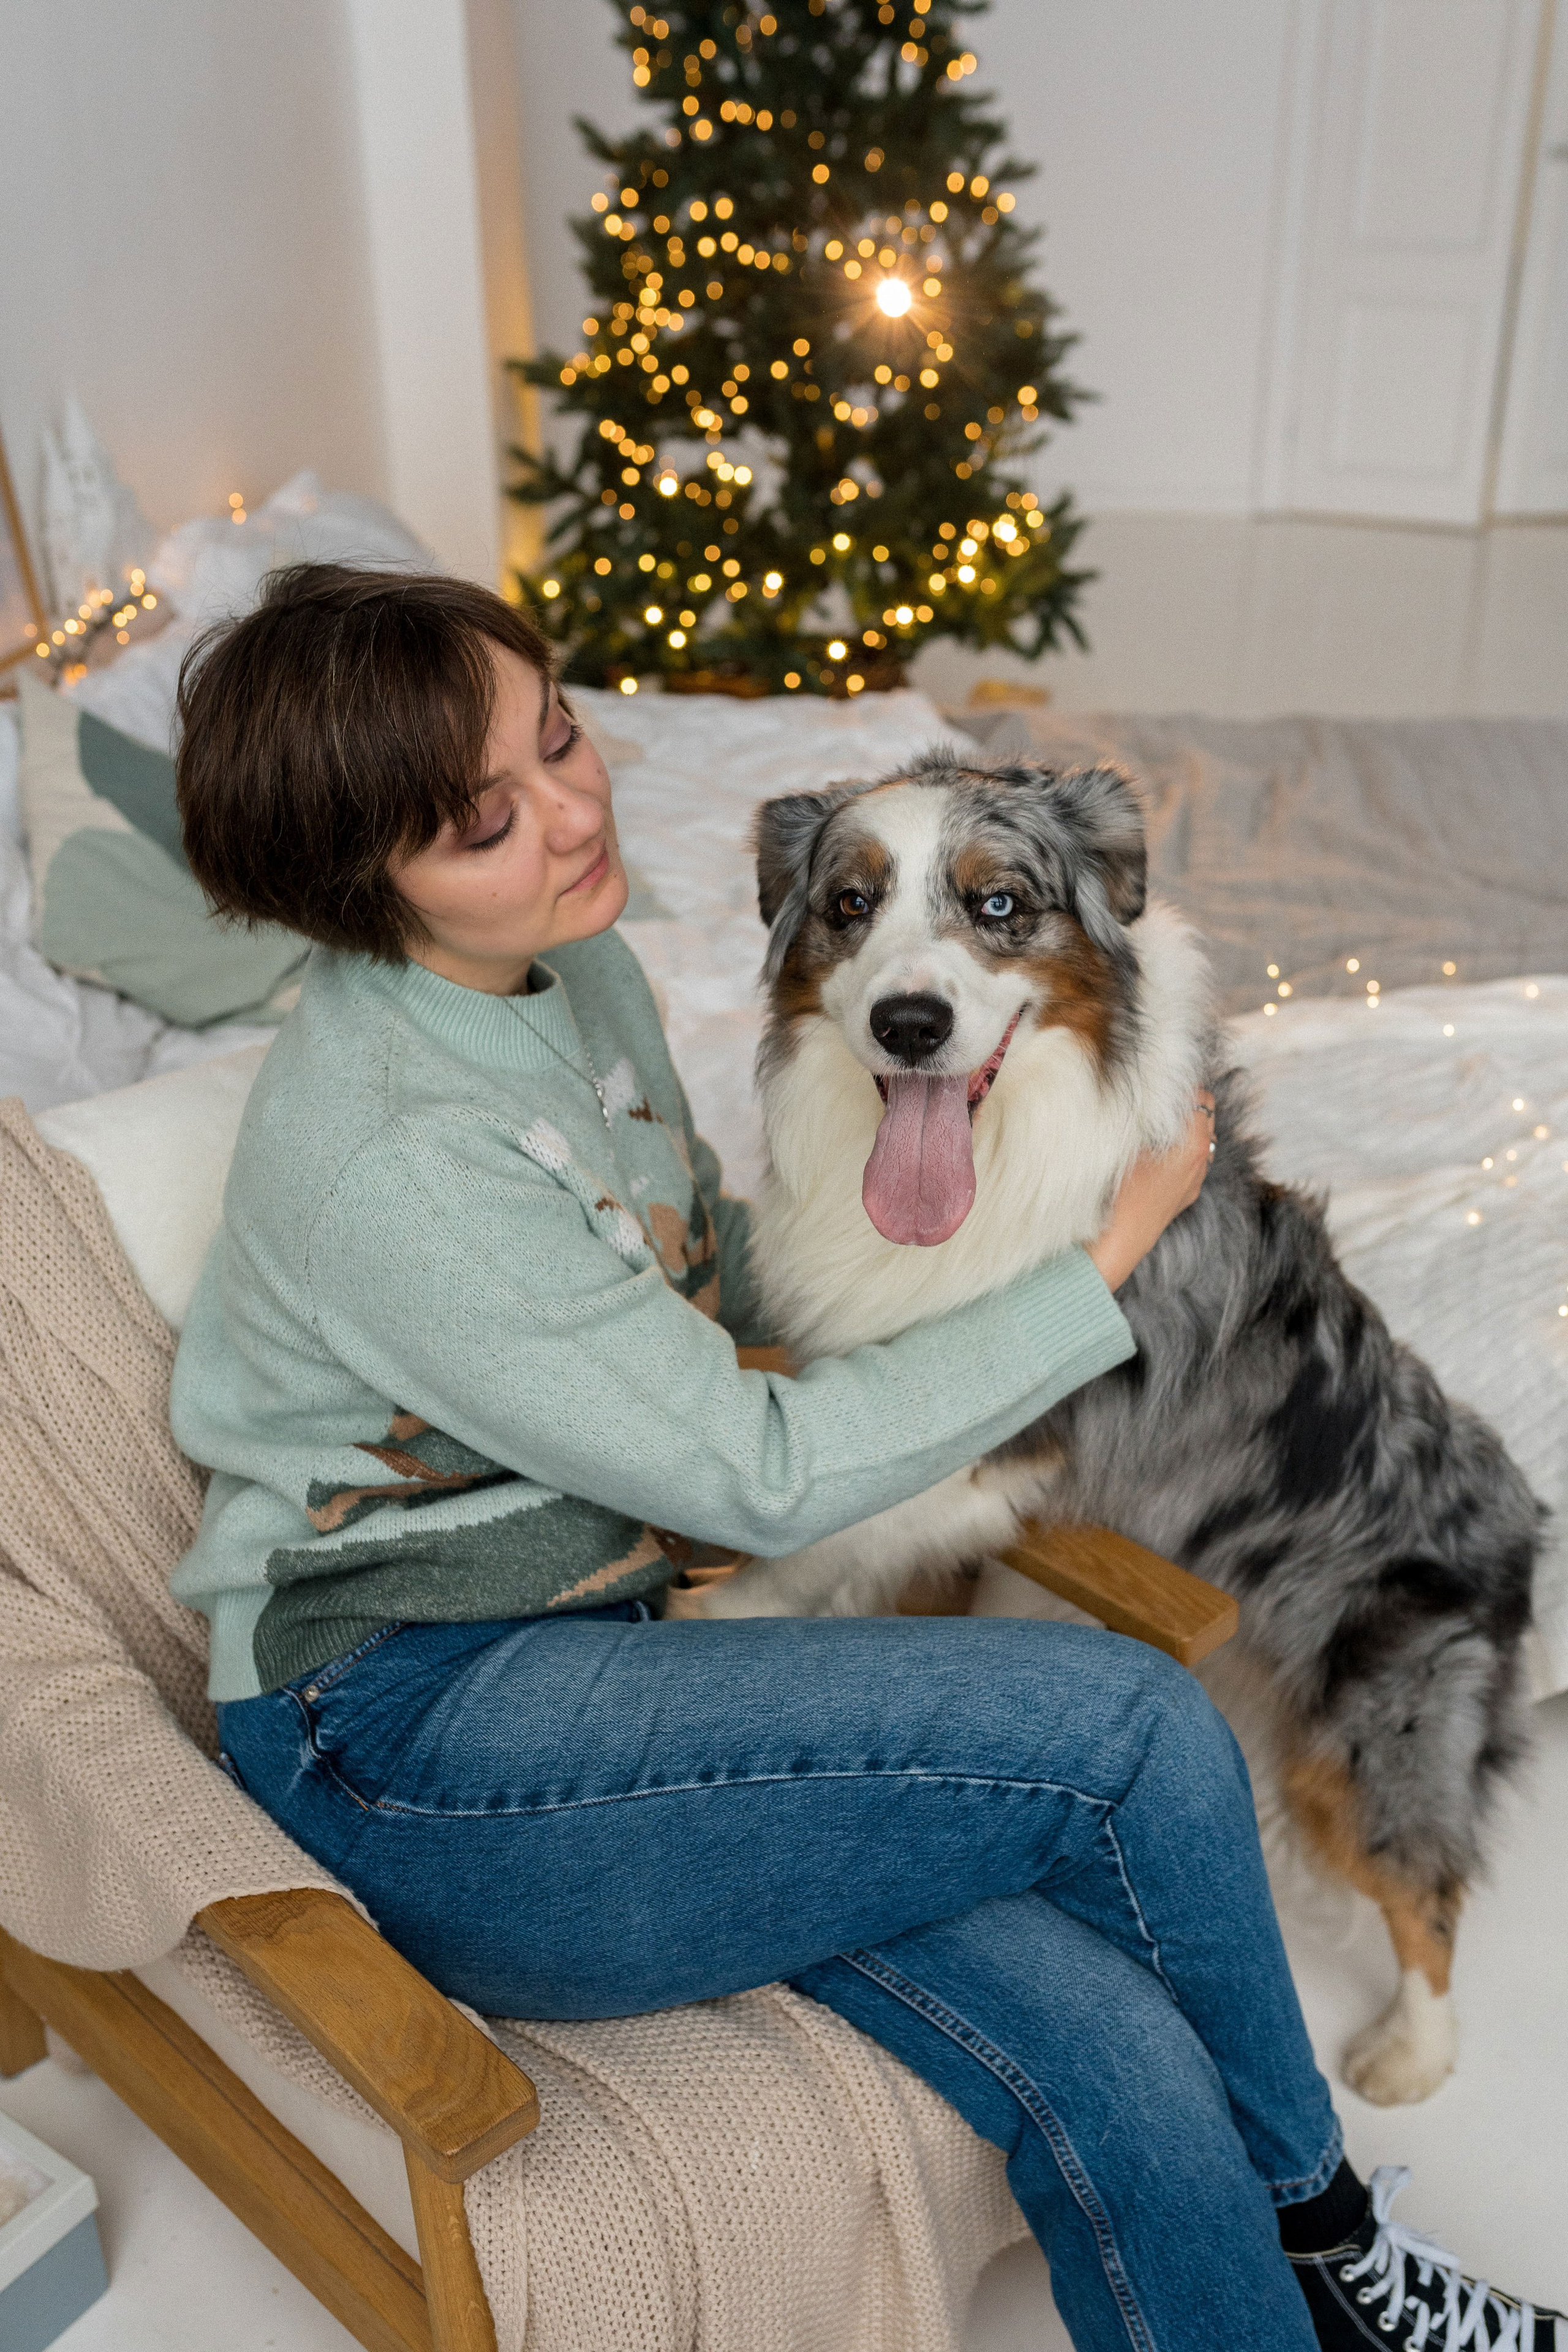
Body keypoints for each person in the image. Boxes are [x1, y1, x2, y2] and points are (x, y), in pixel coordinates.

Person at [169, 564, 1561, 2352]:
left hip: (622, 1669)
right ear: (362, 883)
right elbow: (751, 1469)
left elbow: (679, 1275)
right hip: (421, 1752)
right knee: (1129, 1732)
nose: (576, 812)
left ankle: (1309, 2313)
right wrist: (1100, 1268)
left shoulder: (560, 972)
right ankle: (1335, 2232)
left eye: (564, 737)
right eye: (483, 818)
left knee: (1118, 2040)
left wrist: (920, 1255)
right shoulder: (392, 1152)